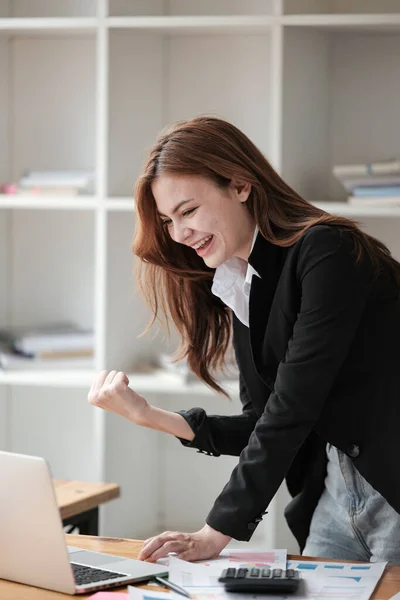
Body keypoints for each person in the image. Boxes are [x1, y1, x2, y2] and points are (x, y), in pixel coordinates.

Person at [88, 116, 400, 565]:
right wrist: (151, 416)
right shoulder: (241, 280)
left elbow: (292, 409)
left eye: (188, 211)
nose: (178, 234)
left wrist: (215, 533)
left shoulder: (327, 252)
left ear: (240, 185)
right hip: (335, 494)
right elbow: (262, 420)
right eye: (168, 220)